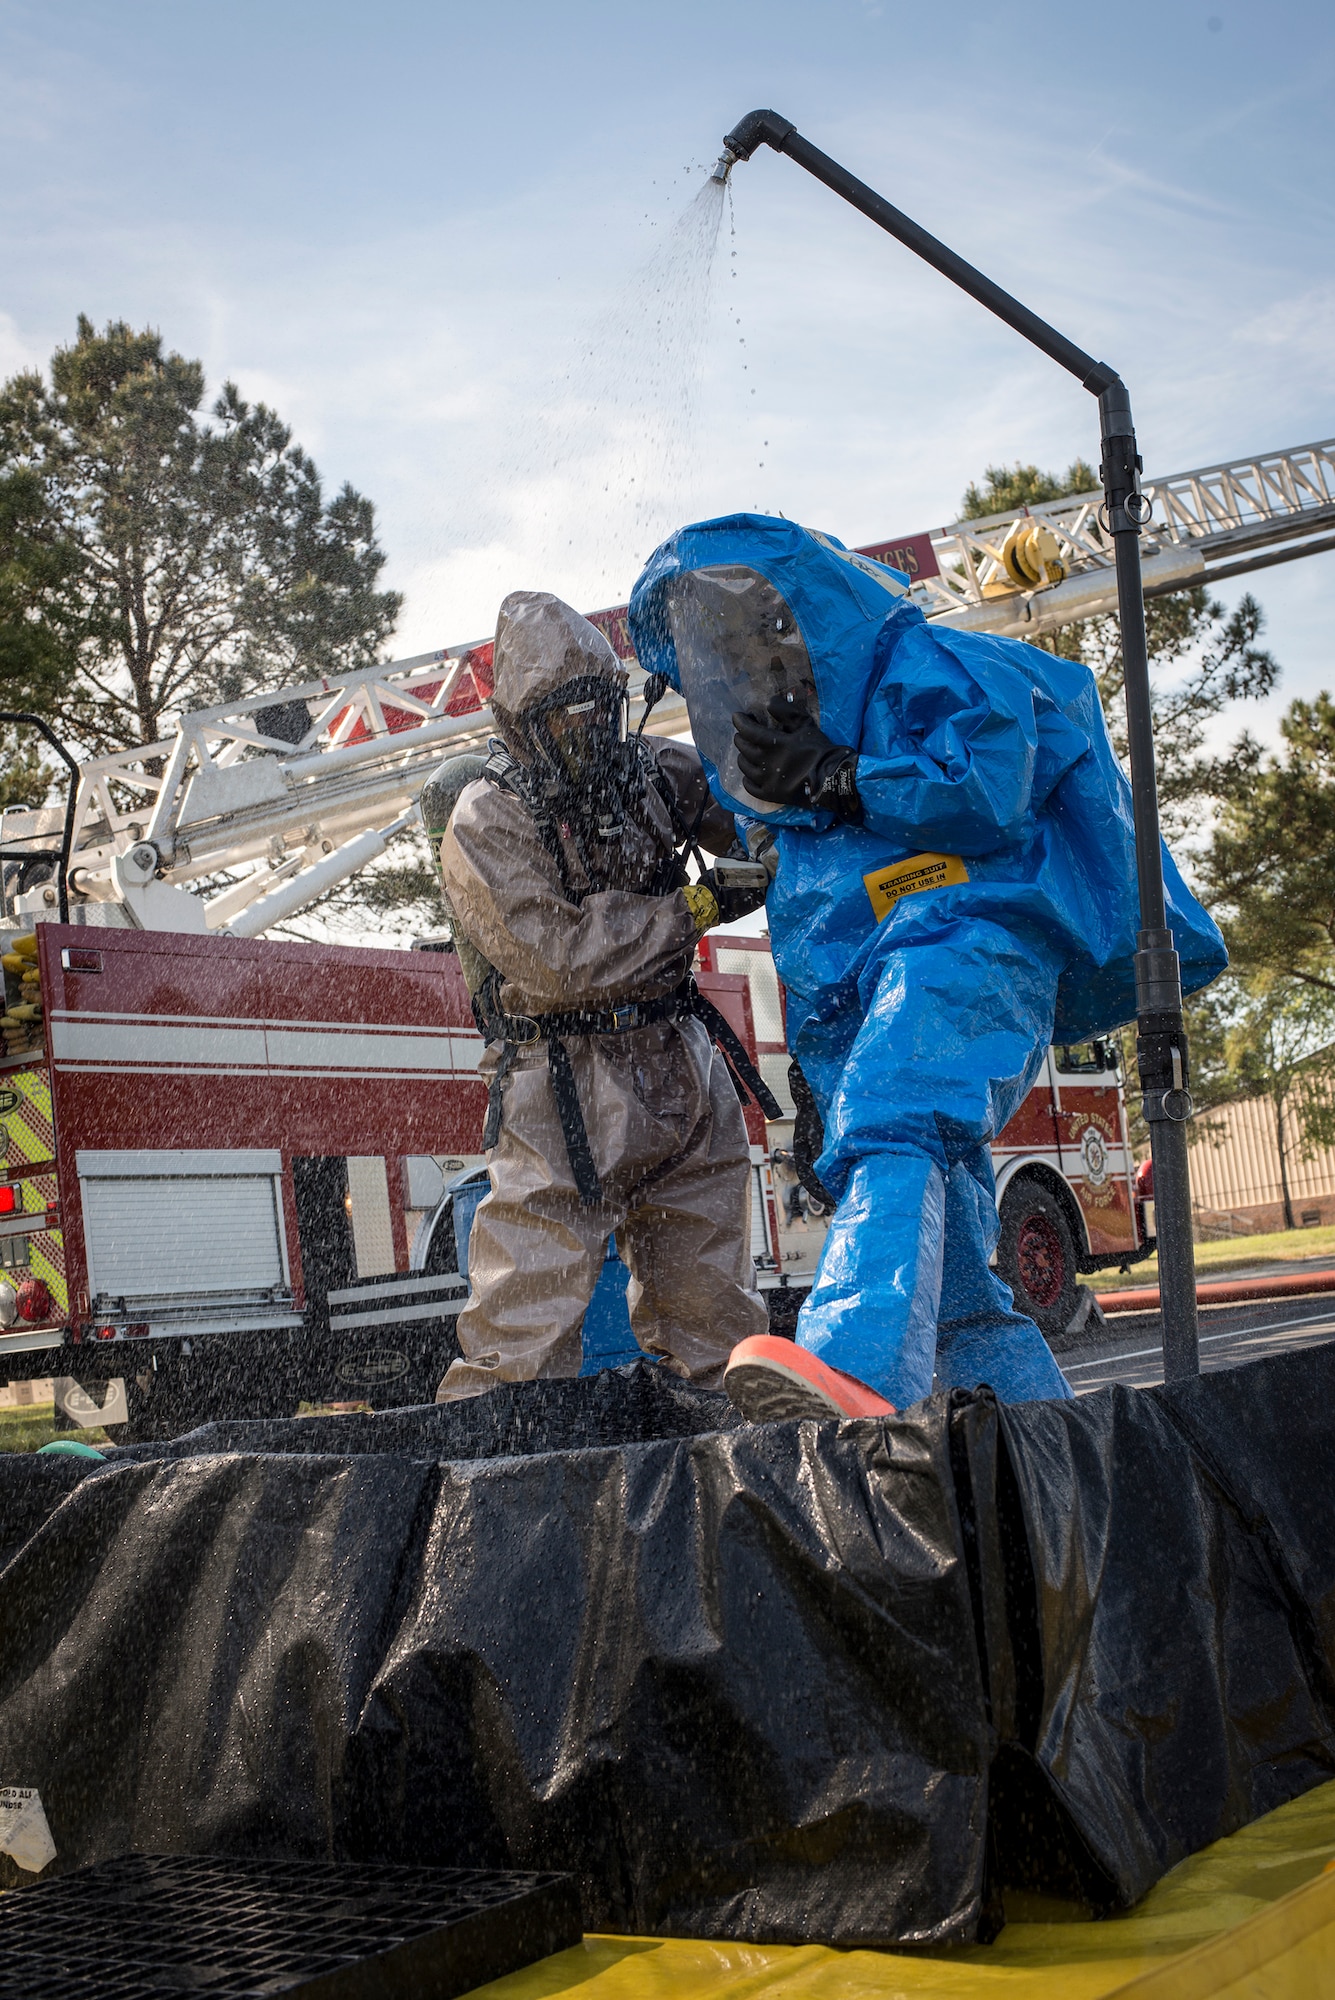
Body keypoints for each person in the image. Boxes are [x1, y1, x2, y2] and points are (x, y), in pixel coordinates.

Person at [629, 515, 1227, 1422]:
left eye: (755, 637)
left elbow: (987, 788)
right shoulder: (791, 784)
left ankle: (857, 1366)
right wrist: (820, 1086)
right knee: (956, 1286)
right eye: (722, 655)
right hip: (895, 971)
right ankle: (1043, 1446)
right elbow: (824, 937)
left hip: (980, 933)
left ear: (804, 615)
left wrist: (844, 778)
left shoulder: (936, 669)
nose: (745, 670)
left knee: (896, 1104)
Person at [432, 590, 771, 1401]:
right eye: (563, 717)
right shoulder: (486, 818)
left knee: (711, 1312)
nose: (586, 731)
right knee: (523, 1326)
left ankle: (722, 1453)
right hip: (561, 1087)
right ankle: (497, 1464)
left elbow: (757, 810)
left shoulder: (653, 771)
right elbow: (560, 961)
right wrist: (697, 906)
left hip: (675, 1059)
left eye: (596, 710)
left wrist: (779, 838)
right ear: (520, 724)